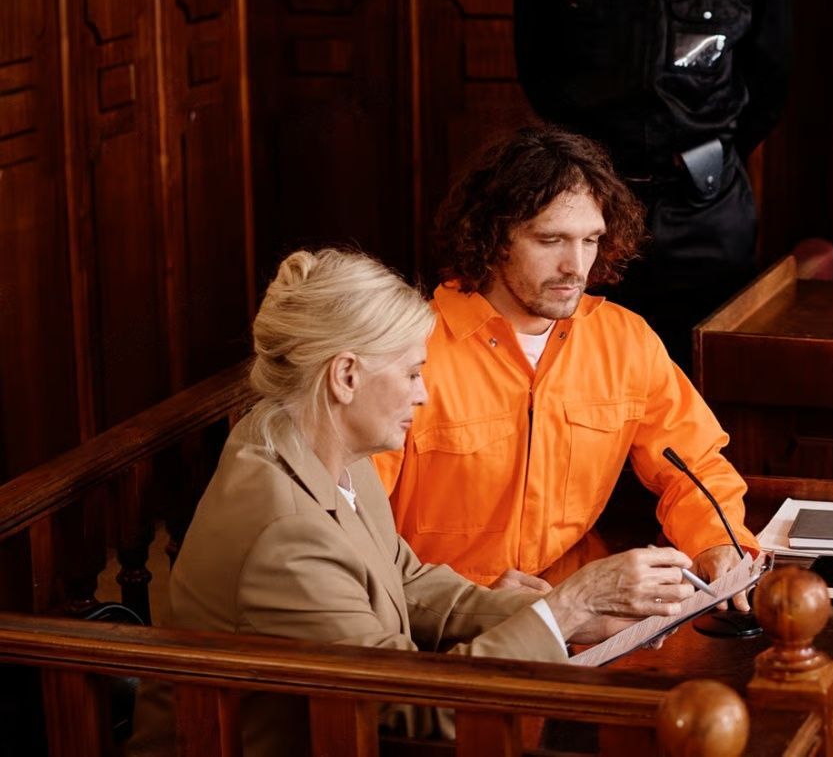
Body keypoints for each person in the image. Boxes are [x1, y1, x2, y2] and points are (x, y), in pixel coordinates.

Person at [128, 249, 697, 756]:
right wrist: (562, 611)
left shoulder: (313, 436)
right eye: (411, 372)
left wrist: (573, 619)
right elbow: (417, 718)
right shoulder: (287, 538)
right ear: (345, 375)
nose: (423, 394)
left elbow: (405, 579)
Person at [374, 126, 758, 610]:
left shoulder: (624, 340)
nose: (576, 266)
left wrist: (718, 542)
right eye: (551, 239)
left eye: (591, 240)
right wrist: (466, 603)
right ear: (492, 237)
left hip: (569, 607)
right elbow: (346, 530)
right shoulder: (404, 349)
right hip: (430, 624)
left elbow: (695, 464)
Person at [513, 0, 791, 364]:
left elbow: (771, 81)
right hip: (590, 199)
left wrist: (705, 154)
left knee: (702, 369)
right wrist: (592, 167)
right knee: (588, 365)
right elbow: (537, 67)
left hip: (707, 206)